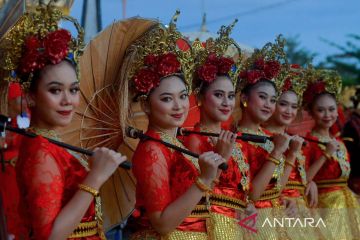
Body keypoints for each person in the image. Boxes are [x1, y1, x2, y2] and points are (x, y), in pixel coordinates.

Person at [0, 6, 127, 239]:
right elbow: (50, 236)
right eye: (55, 90)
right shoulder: (41, 152)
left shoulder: (53, 144)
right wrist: (95, 178)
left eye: (74, 89)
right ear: (30, 96)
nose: (68, 100)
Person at [117, 14, 226, 239]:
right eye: (167, 99)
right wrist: (204, 180)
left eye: (183, 96)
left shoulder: (174, 144)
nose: (179, 106)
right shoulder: (152, 150)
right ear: (146, 104)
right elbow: (163, 224)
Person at [182, 24, 255, 239]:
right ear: (201, 98)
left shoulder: (232, 138)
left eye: (231, 96)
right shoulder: (194, 140)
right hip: (212, 227)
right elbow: (199, 196)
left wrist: (249, 214)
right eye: (219, 95)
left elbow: (244, 194)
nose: (226, 103)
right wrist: (222, 155)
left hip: (239, 225)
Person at [235, 36, 295, 239]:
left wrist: (286, 197)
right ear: (244, 98)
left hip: (276, 216)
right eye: (262, 97)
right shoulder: (235, 139)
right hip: (251, 219)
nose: (269, 105)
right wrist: (278, 152)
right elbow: (252, 194)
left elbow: (277, 187)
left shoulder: (271, 137)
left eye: (273, 100)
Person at [264, 65, 328, 239]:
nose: (289, 111)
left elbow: (298, 177)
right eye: (283, 104)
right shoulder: (262, 139)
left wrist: (309, 182)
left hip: (303, 210)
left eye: (294, 106)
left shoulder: (296, 140)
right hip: (279, 210)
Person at [303, 68, 360, 239]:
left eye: (331, 109)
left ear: (337, 111)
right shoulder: (308, 142)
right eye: (321, 110)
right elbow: (303, 178)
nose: (327, 115)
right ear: (311, 112)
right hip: (324, 207)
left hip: (348, 205)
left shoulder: (340, 142)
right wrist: (325, 155)